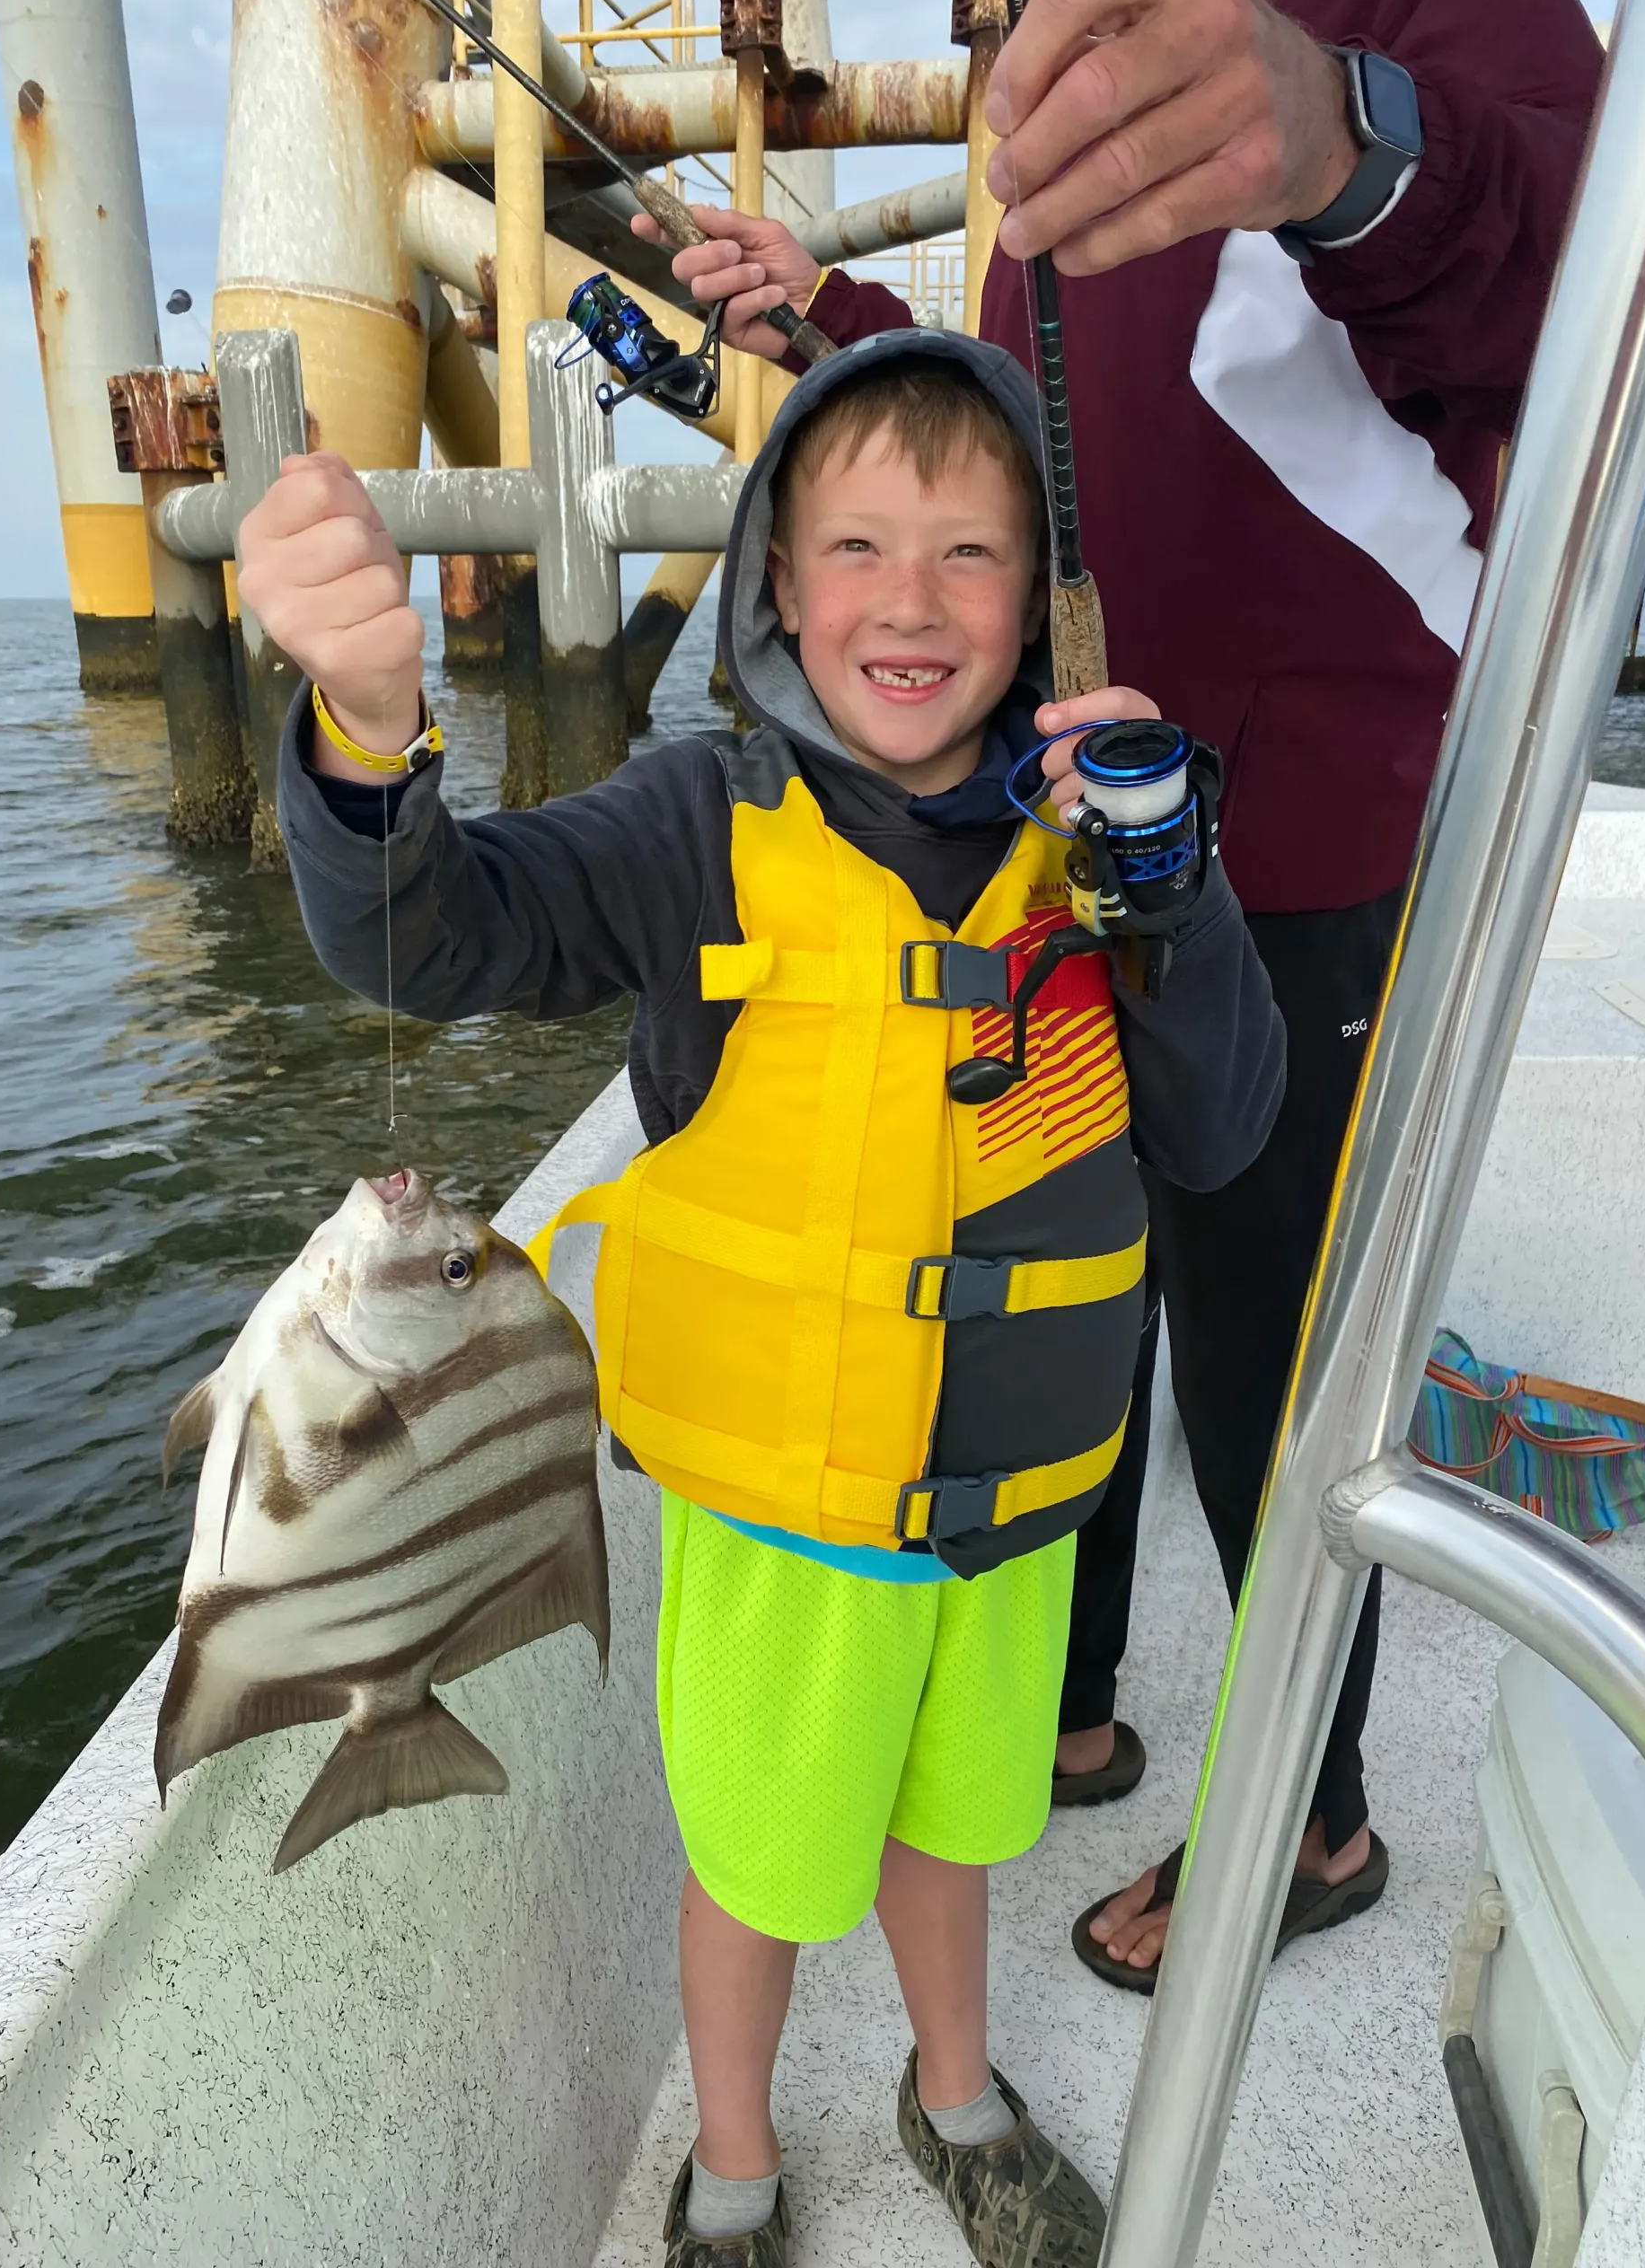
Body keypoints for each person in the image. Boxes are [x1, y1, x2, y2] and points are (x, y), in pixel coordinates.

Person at [241, 333, 1285, 2264]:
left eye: (975, 554)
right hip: (786, 1527)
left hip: (1012, 1529)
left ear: (1043, 597)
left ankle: (950, 2089)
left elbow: (1220, 1130)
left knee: (960, 1830)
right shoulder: (690, 823)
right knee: (757, 1870)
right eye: (860, 545)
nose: (913, 599)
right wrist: (369, 732)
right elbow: (438, 933)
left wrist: (1175, 888)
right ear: (777, 586)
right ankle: (732, 2158)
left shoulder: (1092, 845)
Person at [633, 0, 1604, 1991]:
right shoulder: (1063, 19)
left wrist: (1342, 138)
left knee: (1266, 1354)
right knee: (1071, 1247)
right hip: (1054, 820)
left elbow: (1590, 298)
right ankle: (1069, 1702)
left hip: (1296, 843)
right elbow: (1045, 428)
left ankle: (1311, 1816)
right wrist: (829, 323)